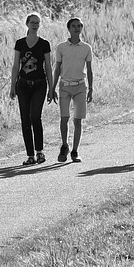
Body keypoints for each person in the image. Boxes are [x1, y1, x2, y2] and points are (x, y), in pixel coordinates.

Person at [48, 17, 94, 163]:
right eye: (74, 26)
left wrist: (91, 88)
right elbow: (57, 69)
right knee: (64, 118)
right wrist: (52, 88)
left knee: (78, 120)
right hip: (64, 86)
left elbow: (90, 70)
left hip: (80, 85)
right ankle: (64, 145)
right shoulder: (61, 47)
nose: (77, 28)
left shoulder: (86, 48)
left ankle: (75, 150)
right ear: (69, 28)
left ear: (82, 28)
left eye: (79, 26)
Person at [10, 12, 53, 165]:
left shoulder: (44, 44)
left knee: (35, 117)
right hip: (22, 85)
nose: (35, 25)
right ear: (27, 24)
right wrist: (12, 86)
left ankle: (40, 151)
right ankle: (30, 155)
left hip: (40, 84)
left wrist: (51, 87)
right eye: (32, 22)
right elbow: (16, 66)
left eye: (37, 22)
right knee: (25, 120)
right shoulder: (20, 43)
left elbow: (48, 66)